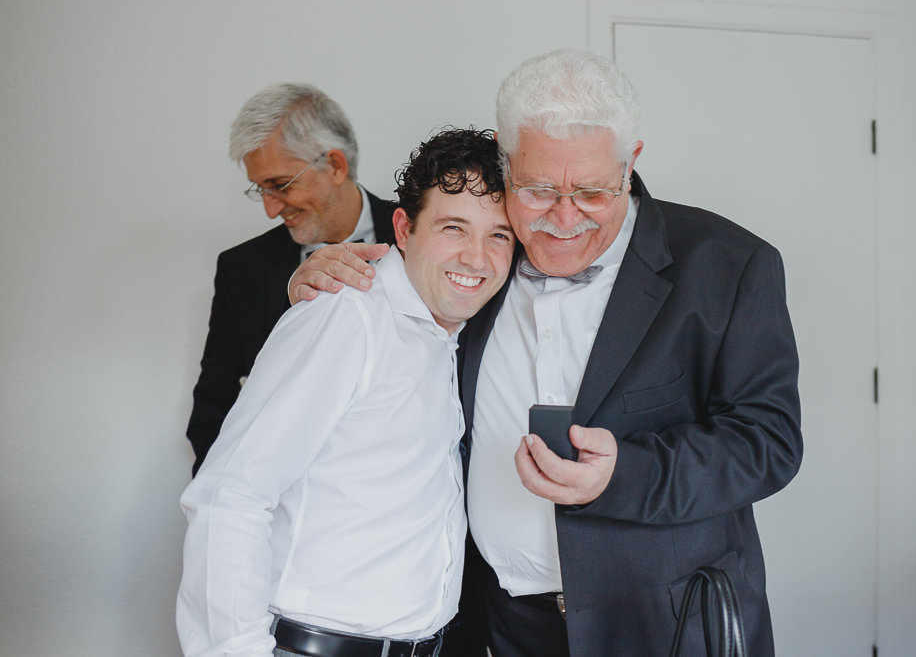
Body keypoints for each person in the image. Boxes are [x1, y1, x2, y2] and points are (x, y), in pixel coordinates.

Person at [291, 49, 803, 657]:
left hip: (666, 624)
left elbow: (769, 442)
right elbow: (403, 283)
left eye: (592, 192)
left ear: (630, 164)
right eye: (536, 190)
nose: (563, 218)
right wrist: (317, 279)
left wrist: (624, 474)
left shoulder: (729, 265)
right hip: (501, 626)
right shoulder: (480, 258)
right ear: (504, 165)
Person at [176, 128, 514, 657]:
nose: (476, 257)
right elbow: (230, 497)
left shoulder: (455, 330)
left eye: (499, 235)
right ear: (403, 228)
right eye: (454, 227)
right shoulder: (345, 315)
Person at [186, 83, 396, 475]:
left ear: (335, 166)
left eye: (281, 185)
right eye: (261, 189)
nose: (270, 210)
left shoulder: (423, 236)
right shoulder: (241, 270)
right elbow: (213, 409)